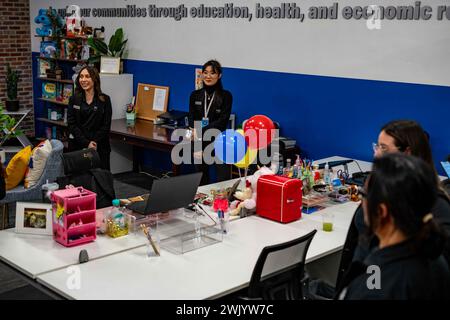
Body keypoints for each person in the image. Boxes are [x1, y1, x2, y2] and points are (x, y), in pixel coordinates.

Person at [336, 120, 450, 293]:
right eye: (377, 146)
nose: (376, 154)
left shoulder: (436, 207)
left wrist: (363, 288)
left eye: (384, 148)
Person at [188, 60, 232, 185]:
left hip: (218, 141)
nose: (208, 76)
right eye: (205, 73)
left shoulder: (226, 96)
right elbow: (192, 119)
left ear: (219, 75)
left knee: (223, 180)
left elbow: (222, 122)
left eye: (213, 73)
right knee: (200, 179)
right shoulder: (195, 95)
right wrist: (197, 143)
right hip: (199, 141)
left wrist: (199, 132)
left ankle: (222, 203)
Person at [67, 66, 112, 170]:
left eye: (87, 76)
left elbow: (106, 126)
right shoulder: (74, 99)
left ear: (95, 79)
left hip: (99, 147)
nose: (83, 80)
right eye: (81, 77)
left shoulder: (105, 100)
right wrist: (86, 143)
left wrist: (93, 142)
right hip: (78, 145)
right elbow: (71, 124)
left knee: (101, 180)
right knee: (80, 180)